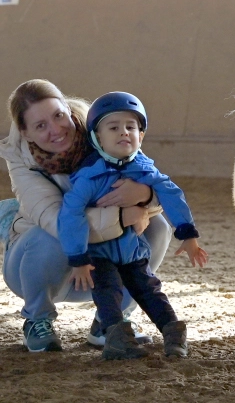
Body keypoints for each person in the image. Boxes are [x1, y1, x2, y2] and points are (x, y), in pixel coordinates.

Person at [1, 80, 171, 352]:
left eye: (58, 115)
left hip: (102, 266)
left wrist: (144, 195)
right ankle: (37, 319)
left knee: (158, 227)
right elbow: (56, 220)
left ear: (68, 110)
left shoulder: (103, 127)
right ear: (26, 133)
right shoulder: (21, 159)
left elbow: (158, 185)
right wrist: (121, 217)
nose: (56, 130)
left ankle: (112, 320)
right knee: (50, 235)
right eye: (40, 125)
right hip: (39, 268)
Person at [58, 92, 208, 360]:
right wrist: (79, 258)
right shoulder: (89, 176)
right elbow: (71, 215)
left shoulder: (145, 171)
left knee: (150, 290)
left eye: (131, 127)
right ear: (97, 137)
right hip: (99, 255)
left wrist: (187, 234)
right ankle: (115, 339)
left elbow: (171, 195)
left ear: (141, 135)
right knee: (108, 292)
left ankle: (173, 332)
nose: (124, 132)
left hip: (132, 249)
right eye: (113, 127)